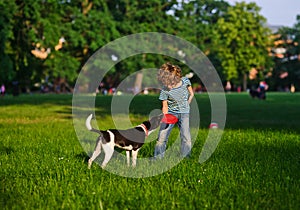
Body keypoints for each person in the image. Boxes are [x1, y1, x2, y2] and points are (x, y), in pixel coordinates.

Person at [154, 62, 194, 159]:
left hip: (184, 114)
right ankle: (158, 158)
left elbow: (191, 93)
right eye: (165, 83)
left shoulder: (185, 81)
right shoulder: (165, 90)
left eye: (170, 83)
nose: (168, 86)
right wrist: (165, 117)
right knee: (162, 137)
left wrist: (187, 103)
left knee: (186, 137)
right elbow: (164, 106)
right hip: (170, 113)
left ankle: (186, 157)